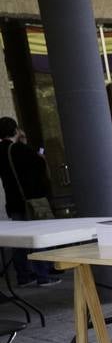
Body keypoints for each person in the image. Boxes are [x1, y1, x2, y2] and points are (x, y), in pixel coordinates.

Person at [0, 116, 58, 287]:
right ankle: (43, 275)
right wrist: (27, 146)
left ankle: (24, 275)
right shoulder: (19, 149)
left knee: (18, 240)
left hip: (13, 201)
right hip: (30, 200)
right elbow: (39, 166)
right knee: (36, 236)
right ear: (15, 130)